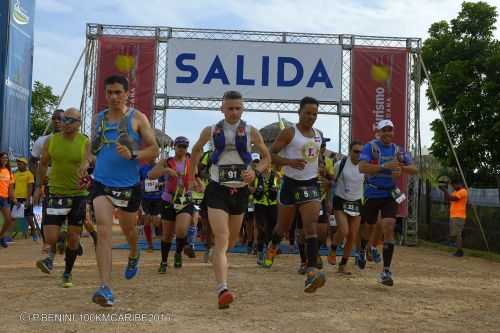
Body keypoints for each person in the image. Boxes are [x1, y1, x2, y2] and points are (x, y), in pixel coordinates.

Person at [189, 90, 270, 309]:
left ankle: (217, 254)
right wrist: (192, 176)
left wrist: (255, 171)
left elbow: (266, 158)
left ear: (243, 109)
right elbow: (195, 150)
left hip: (241, 192)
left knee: (230, 242)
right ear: (222, 108)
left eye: (237, 108)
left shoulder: (252, 132)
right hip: (217, 190)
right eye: (230, 108)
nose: (233, 112)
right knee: (223, 237)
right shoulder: (212, 130)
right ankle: (222, 289)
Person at [89, 75, 159, 306]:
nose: (114, 97)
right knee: (104, 230)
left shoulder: (137, 118)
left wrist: (134, 155)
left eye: (118, 92)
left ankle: (133, 253)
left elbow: (154, 150)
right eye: (109, 92)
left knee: (129, 230)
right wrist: (84, 163)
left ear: (127, 93)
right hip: (101, 182)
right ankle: (105, 287)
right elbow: (92, 149)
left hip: (128, 185)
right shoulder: (99, 118)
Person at [264, 96, 326, 293]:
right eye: (308, 113)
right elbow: (270, 154)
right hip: (290, 185)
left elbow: (318, 157)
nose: (311, 117)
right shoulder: (289, 133)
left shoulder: (319, 134)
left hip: (310, 185)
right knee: (282, 228)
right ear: (299, 112)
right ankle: (272, 247)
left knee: (311, 227)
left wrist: (322, 168)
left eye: (315, 113)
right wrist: (289, 162)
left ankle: (311, 272)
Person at [358, 119, 417, 286]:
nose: (387, 133)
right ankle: (362, 250)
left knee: (389, 226)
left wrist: (402, 168)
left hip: (390, 194)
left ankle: (386, 271)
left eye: (390, 130)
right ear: (378, 131)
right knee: (368, 226)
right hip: (372, 192)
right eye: (384, 130)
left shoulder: (398, 150)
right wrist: (385, 166)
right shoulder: (371, 147)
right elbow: (362, 168)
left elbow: (414, 168)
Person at [35, 108, 89, 288]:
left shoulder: (84, 141)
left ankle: (67, 272)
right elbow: (42, 164)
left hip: (78, 194)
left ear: (79, 123)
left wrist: (84, 166)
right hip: (56, 192)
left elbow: (87, 160)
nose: (65, 123)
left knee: (74, 238)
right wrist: (39, 186)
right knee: (50, 237)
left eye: (70, 120)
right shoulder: (51, 141)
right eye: (63, 119)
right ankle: (64, 238)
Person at [148, 136, 195, 273]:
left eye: (184, 147)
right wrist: (165, 171)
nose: (181, 149)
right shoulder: (166, 161)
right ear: (174, 147)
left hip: (184, 200)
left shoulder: (191, 163)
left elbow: (195, 177)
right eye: (179, 146)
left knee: (181, 230)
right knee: (167, 235)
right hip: (168, 200)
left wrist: (196, 184)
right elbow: (151, 175)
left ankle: (178, 253)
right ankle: (163, 261)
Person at [330, 141, 365, 274]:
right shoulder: (341, 164)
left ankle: (343, 265)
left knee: (352, 236)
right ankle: (333, 249)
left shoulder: (364, 166)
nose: (358, 154)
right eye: (356, 151)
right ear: (350, 151)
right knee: (344, 231)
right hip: (341, 200)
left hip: (356, 202)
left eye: (361, 152)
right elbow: (333, 179)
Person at [251, 163, 280, 265]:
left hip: (272, 204)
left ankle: (269, 251)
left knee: (271, 230)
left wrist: (275, 189)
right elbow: (248, 187)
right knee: (261, 228)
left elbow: (279, 186)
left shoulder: (275, 175)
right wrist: (255, 190)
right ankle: (259, 252)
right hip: (260, 204)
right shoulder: (254, 174)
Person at [439, 178, 468, 257]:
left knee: (458, 234)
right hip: (453, 216)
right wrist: (444, 190)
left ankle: (460, 251)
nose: (453, 186)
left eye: (454, 185)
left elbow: (453, 198)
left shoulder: (463, 191)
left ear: (459, 184)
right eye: (453, 185)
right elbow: (447, 199)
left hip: (459, 216)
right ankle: (458, 249)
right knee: (454, 234)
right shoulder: (455, 192)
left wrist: (445, 190)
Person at [139, 161, 163, 252]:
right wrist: (142, 184)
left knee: (156, 221)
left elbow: (166, 181)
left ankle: (163, 238)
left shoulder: (160, 167)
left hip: (158, 198)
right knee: (147, 220)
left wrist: (160, 184)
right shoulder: (142, 168)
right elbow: (138, 180)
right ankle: (150, 245)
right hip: (145, 198)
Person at [13, 157, 37, 241]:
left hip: (25, 198)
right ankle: (12, 235)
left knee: (29, 216)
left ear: (25, 165)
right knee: (13, 217)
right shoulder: (15, 174)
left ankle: (34, 233)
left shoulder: (29, 174)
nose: (18, 165)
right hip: (16, 198)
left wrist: (27, 199)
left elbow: (30, 187)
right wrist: (14, 198)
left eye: (20, 164)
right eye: (18, 164)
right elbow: (13, 186)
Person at [0, 152, 15, 248]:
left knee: (9, 220)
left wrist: (14, 199)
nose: (5, 159)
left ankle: (1, 237)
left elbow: (11, 188)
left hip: (4, 198)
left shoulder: (9, 172)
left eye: (6, 158)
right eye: (3, 157)